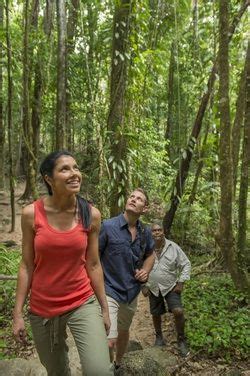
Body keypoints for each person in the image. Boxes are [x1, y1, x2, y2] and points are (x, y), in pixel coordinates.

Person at [12, 150, 113, 376]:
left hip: (81, 301)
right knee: (57, 372)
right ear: (49, 178)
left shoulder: (91, 214)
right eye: (65, 169)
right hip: (43, 308)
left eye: (76, 168)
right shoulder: (31, 214)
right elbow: (26, 265)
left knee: (99, 371)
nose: (74, 173)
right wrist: (17, 314)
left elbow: (94, 264)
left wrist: (104, 309)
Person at [99, 188, 155, 369]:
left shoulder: (145, 232)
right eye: (132, 196)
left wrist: (145, 270)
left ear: (144, 209)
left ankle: (118, 364)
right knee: (109, 338)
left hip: (131, 292)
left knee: (123, 331)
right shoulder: (107, 226)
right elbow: (93, 258)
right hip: (109, 290)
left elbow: (151, 254)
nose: (133, 199)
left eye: (139, 199)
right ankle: (105, 367)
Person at [142, 221, 191, 357]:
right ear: (150, 233)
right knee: (156, 313)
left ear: (163, 232)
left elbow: (186, 264)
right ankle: (159, 338)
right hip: (152, 286)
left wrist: (181, 282)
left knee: (178, 311)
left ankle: (181, 340)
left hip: (170, 286)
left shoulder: (173, 247)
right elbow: (137, 265)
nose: (156, 232)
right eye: (153, 231)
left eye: (159, 230)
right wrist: (142, 285)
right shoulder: (146, 248)